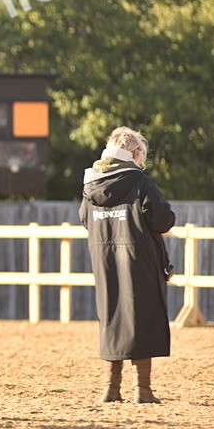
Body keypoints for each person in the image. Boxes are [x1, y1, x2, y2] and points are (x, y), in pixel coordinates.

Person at [80, 127, 176, 403]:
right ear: (134, 154)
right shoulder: (140, 182)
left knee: (112, 317)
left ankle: (111, 389)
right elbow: (162, 219)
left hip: (104, 259)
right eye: (142, 156)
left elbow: (85, 219)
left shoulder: (90, 186)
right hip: (140, 258)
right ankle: (142, 390)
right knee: (142, 317)